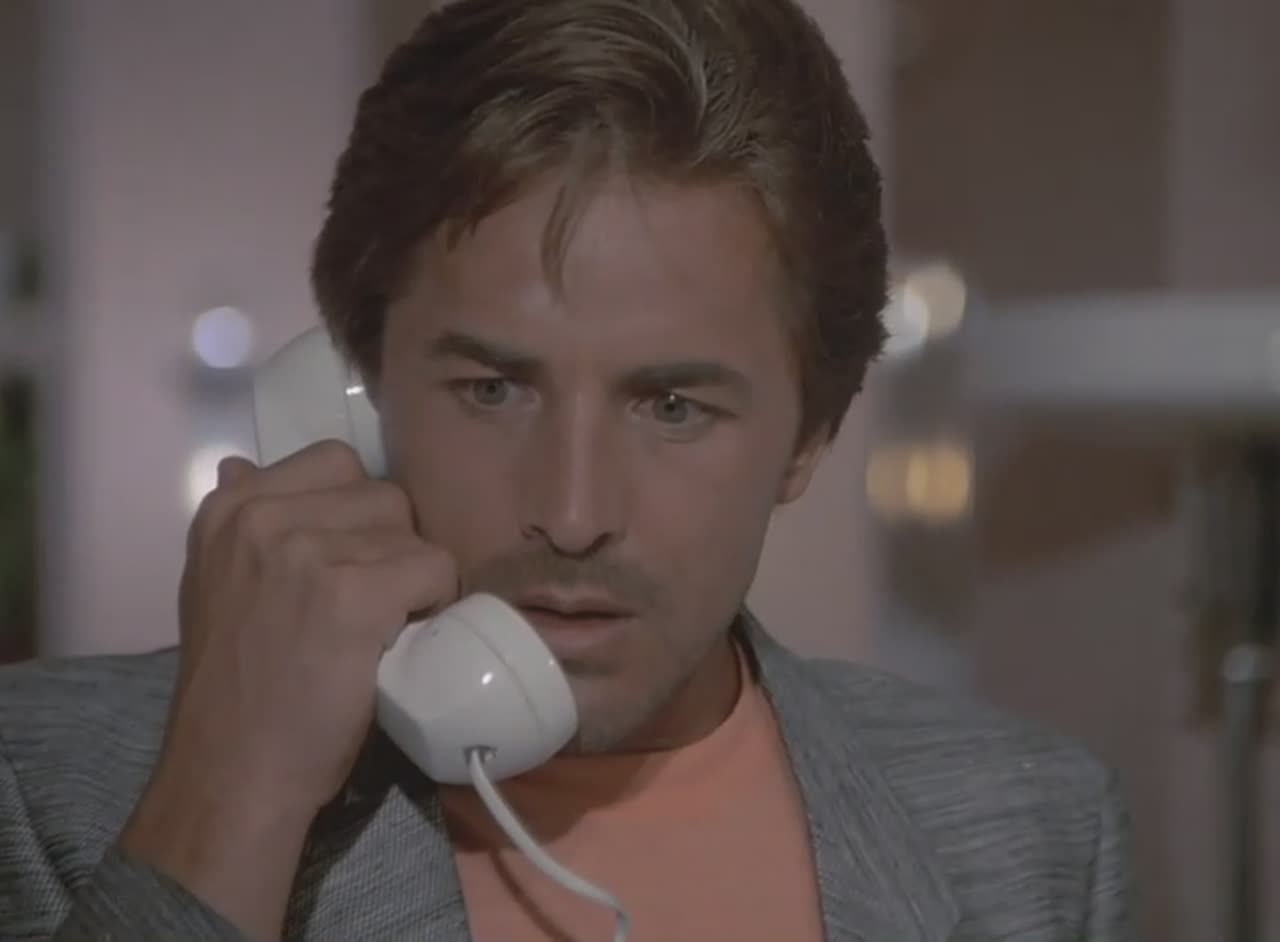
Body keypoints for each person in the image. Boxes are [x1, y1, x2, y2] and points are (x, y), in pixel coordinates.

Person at [0, 0, 1138, 939]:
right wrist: (228, 796)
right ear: (356, 394)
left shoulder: (1034, 831)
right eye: (493, 391)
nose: (573, 512)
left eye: (673, 406)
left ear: (809, 436)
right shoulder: (45, 779)